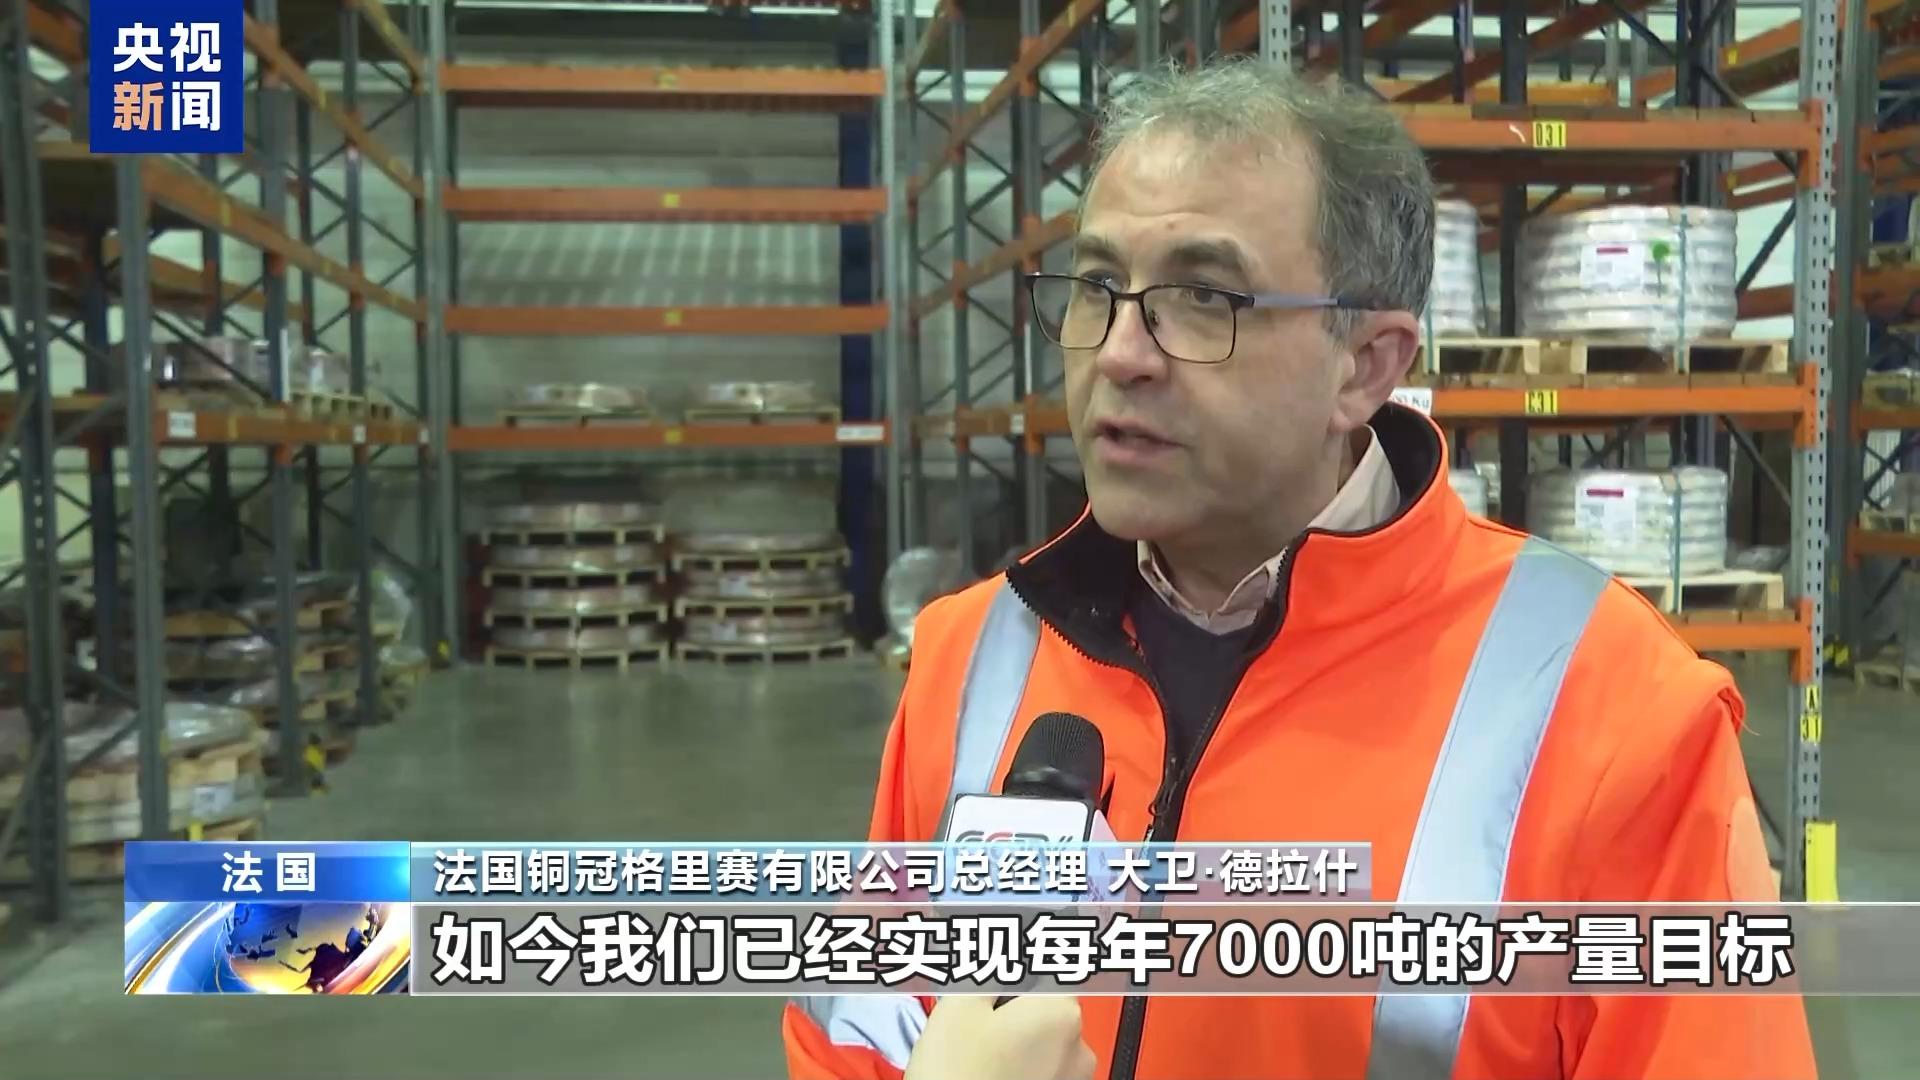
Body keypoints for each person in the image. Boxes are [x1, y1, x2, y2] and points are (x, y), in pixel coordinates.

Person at [784, 58, 1817, 1080]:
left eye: (1201, 296)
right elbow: (853, 1039)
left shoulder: (1614, 713)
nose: (1120, 353)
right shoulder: (970, 660)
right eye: (1098, 287)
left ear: (1364, 366)